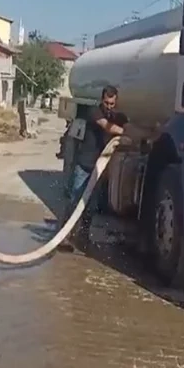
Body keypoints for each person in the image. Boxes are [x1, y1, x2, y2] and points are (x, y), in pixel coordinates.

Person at [59, 85, 127, 252]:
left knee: (91, 205)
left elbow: (127, 128)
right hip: (84, 164)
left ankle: (83, 236)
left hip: (99, 167)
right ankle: (64, 237)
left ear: (116, 102)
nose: (109, 106)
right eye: (106, 103)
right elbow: (108, 127)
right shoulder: (94, 112)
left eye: (112, 103)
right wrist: (127, 133)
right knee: (75, 200)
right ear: (101, 100)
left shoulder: (118, 117)